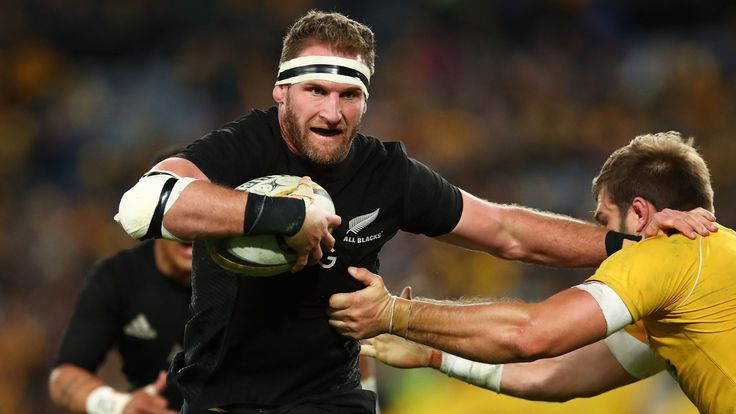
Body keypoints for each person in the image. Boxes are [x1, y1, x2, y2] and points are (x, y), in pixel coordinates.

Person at [113, 10, 715, 413]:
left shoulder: (386, 172)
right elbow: (142, 206)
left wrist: (625, 248)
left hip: (331, 399)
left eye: (350, 94)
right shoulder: (238, 149)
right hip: (220, 396)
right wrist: (279, 215)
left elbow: (504, 232)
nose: (334, 109)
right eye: (316, 90)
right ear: (282, 92)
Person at [327, 132, 734, 413]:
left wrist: (397, 314)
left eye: (605, 220)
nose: (605, 245)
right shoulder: (709, 265)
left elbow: (531, 334)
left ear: (641, 212)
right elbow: (559, 376)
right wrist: (436, 354)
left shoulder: (667, 252)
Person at [49, 237, 192, 414]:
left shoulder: (233, 274)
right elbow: (63, 379)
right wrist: (119, 405)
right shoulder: (119, 277)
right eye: (184, 216)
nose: (192, 232)